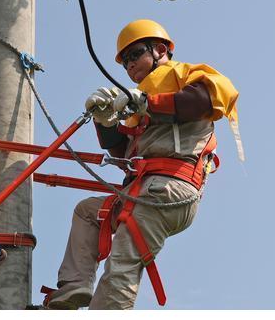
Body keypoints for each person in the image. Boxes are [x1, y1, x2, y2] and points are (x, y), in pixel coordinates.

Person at [44, 19, 241, 309]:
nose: (129, 66)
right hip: (146, 189)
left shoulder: (185, 75)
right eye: (124, 62)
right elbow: (125, 154)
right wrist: (105, 121)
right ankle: (74, 286)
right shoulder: (142, 99)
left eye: (134, 54)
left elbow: (202, 100)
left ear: (160, 49)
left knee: (123, 263)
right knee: (88, 212)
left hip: (169, 187)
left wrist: (144, 101)